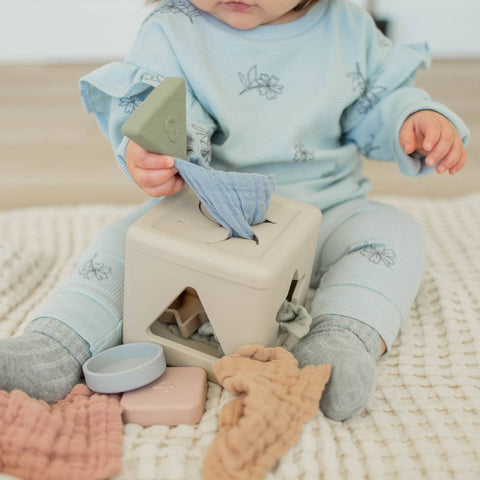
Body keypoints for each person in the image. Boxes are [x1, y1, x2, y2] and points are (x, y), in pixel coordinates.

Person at [0, 0, 469, 421]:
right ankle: (57, 345)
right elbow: (154, 112)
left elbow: (378, 104)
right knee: (119, 244)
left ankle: (341, 338)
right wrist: (150, 153)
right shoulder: (173, 29)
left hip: (324, 209)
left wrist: (412, 119)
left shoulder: (348, 26)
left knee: (394, 232)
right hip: (201, 214)